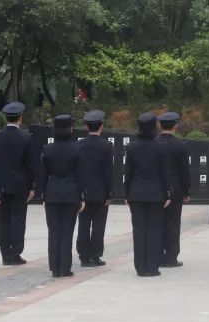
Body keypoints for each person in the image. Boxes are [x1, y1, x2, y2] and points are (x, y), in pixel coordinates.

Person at [124, 112, 170, 277]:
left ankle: (140, 267)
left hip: (136, 193)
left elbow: (128, 173)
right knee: (154, 230)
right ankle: (152, 266)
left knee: (138, 230)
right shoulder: (160, 147)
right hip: (156, 193)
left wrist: (126, 193)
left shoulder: (132, 147)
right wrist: (167, 193)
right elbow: (165, 174)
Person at [0, 101, 33, 266]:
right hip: (20, 185)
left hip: (0, 185)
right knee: (18, 219)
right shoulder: (26, 137)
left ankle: (5, 253)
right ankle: (15, 252)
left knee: (2, 220)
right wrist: (32, 186)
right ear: (20, 118)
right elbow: (29, 165)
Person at [38, 115, 82, 279]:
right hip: (71, 193)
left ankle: (54, 267)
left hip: (52, 193)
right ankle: (65, 267)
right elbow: (80, 175)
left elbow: (43, 175)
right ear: (70, 130)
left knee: (54, 231)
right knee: (67, 231)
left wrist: (43, 195)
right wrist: (81, 196)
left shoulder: (47, 149)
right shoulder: (76, 149)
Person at [77, 110, 113, 268]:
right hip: (100, 192)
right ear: (101, 126)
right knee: (98, 226)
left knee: (83, 224)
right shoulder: (106, 146)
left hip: (83, 193)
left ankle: (83, 256)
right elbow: (108, 171)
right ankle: (95, 255)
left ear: (87, 127)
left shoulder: (78, 145)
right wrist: (109, 193)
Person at [157, 111, 191, 268]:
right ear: (175, 126)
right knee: (173, 224)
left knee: (158, 223)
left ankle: (158, 255)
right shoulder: (180, 145)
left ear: (160, 125)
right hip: (176, 190)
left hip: (158, 190)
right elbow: (184, 171)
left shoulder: (154, 143)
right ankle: (171, 257)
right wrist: (186, 191)